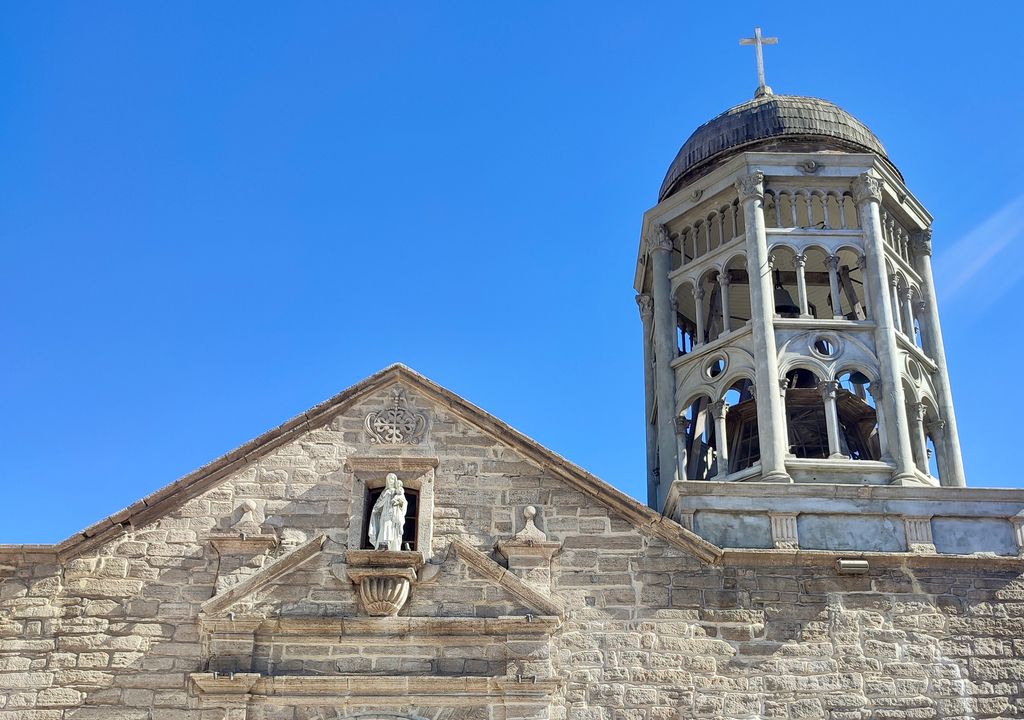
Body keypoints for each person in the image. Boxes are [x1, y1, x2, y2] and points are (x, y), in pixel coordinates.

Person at [367, 473, 408, 551]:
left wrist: (398, 502)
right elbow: (378, 504)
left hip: (393, 514)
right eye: (389, 479)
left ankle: (391, 545)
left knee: (391, 528)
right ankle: (384, 545)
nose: (390, 481)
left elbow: (404, 503)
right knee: (384, 527)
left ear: (395, 480)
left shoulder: (398, 491)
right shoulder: (384, 492)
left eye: (392, 479)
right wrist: (385, 497)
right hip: (384, 513)